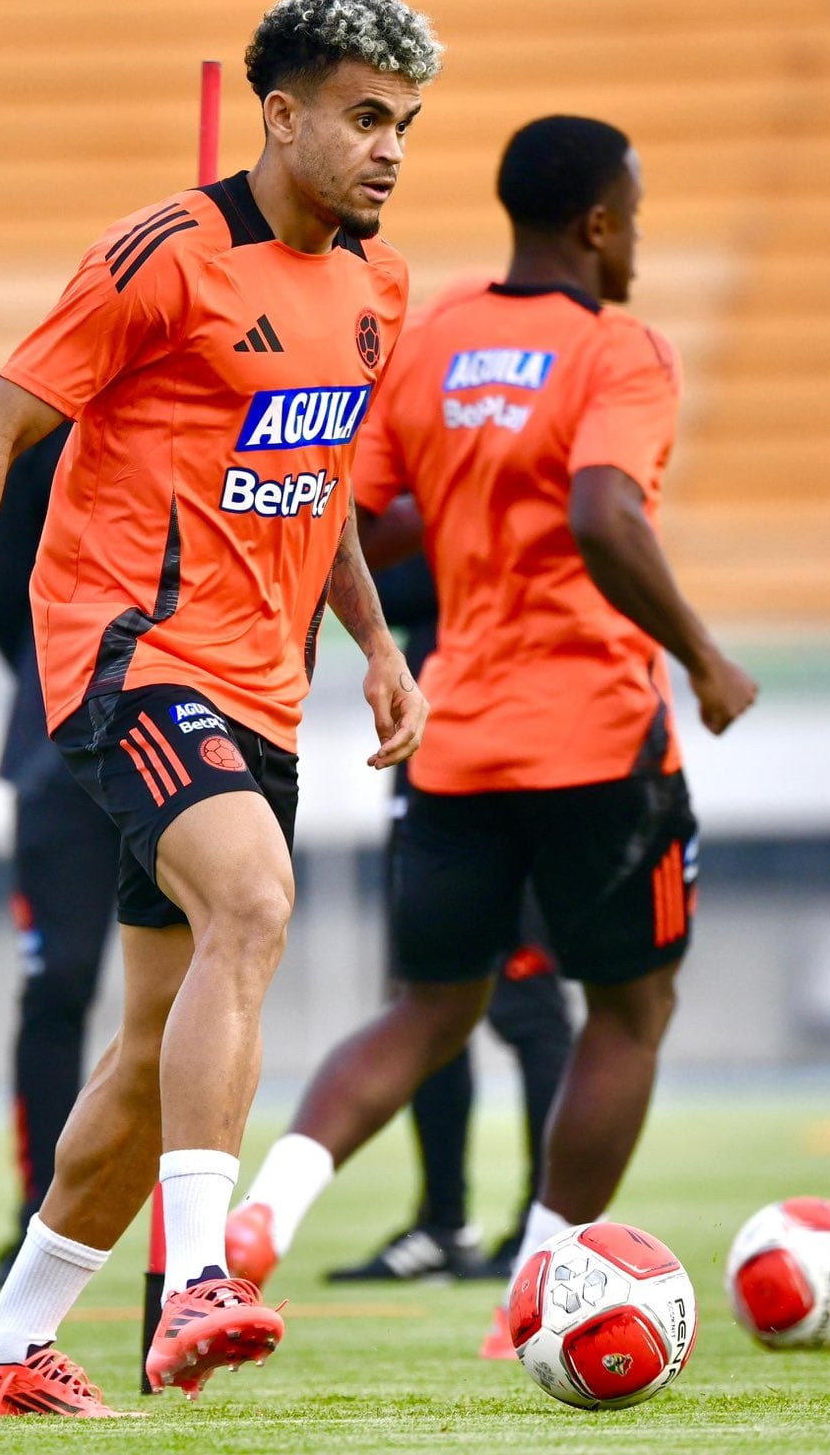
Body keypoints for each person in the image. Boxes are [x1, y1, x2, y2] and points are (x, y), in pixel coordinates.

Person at [0, 0, 439, 1417]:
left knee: (145, 1054)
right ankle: (201, 1277)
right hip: (127, 651)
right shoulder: (163, 256)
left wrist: (373, 641)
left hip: (266, 684)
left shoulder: (379, 287)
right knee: (252, 902)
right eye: (366, 119)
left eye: (406, 126)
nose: (388, 149)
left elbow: (313, 497)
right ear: (281, 114)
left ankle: (7, 1350)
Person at [224, 116, 760, 1355]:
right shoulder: (618, 350)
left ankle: (263, 1217)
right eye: (633, 216)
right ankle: (534, 1294)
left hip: (455, 737)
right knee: (628, 1014)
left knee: (427, 1010)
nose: (637, 240)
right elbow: (603, 512)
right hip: (595, 737)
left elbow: (349, 521)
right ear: (596, 224)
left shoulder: (437, 338)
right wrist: (703, 656)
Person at [326, 549, 573, 1284]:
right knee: (428, 1001)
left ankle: (549, 1222)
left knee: (529, 1007)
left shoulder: (501, 460)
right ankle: (444, 1222)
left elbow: (469, 570)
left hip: (516, 754)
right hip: (432, 750)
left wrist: (401, 542)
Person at [0, 421, 123, 1290]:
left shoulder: (209, 391)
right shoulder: (46, 431)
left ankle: (179, 1230)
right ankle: (42, 1213)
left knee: (185, 991)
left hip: (180, 725)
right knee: (58, 984)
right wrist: (52, 673)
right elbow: (3, 589)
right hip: (59, 749)